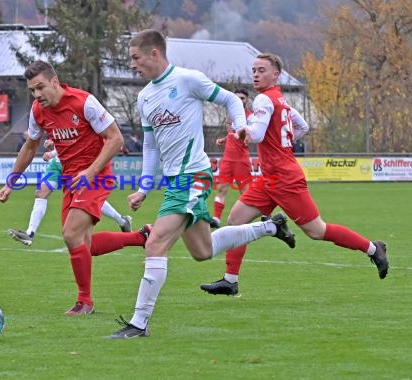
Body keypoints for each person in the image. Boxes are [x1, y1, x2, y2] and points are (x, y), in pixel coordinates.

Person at [107, 30, 296, 339]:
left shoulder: (187, 79)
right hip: (175, 182)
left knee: (155, 243)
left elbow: (231, 100)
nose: (132, 65)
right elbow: (151, 147)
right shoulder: (144, 97)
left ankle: (138, 324)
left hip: (194, 175)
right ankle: (270, 228)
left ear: (154, 54)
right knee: (202, 250)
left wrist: (241, 127)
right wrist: (144, 187)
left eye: (135, 58)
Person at [200, 53, 389, 298]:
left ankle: (374, 249)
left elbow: (255, 135)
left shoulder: (263, 101)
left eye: (261, 70)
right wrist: (280, 143)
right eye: (254, 70)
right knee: (236, 220)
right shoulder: (282, 101)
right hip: (270, 177)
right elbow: (303, 127)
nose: (255, 74)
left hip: (285, 179)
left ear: (275, 74)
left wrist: (244, 131)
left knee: (317, 231)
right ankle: (230, 280)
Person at [0, 60, 151, 317]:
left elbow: (116, 139)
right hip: (71, 180)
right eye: (32, 90)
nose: (36, 95)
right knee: (83, 245)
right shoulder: (38, 111)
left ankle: (85, 302)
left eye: (40, 88)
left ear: (54, 82)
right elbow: (30, 147)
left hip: (96, 176)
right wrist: (11, 181)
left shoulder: (84, 102)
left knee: (70, 234)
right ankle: (142, 237)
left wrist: (90, 171)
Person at [7, 138, 133, 246]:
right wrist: (53, 144)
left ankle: (122, 221)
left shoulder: (77, 114)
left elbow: (76, 141)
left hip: (75, 164)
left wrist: (53, 153)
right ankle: (30, 233)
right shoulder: (49, 116)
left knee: (88, 199)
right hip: (56, 165)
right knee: (41, 193)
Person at [210, 88, 252, 229]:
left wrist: (244, 137)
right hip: (227, 159)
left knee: (245, 192)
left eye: (243, 98)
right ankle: (216, 218)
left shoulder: (250, 116)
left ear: (247, 100)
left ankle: (251, 217)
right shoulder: (230, 116)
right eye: (237, 98)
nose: (240, 100)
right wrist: (224, 139)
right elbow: (232, 134)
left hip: (241, 160)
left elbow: (250, 136)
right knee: (221, 188)